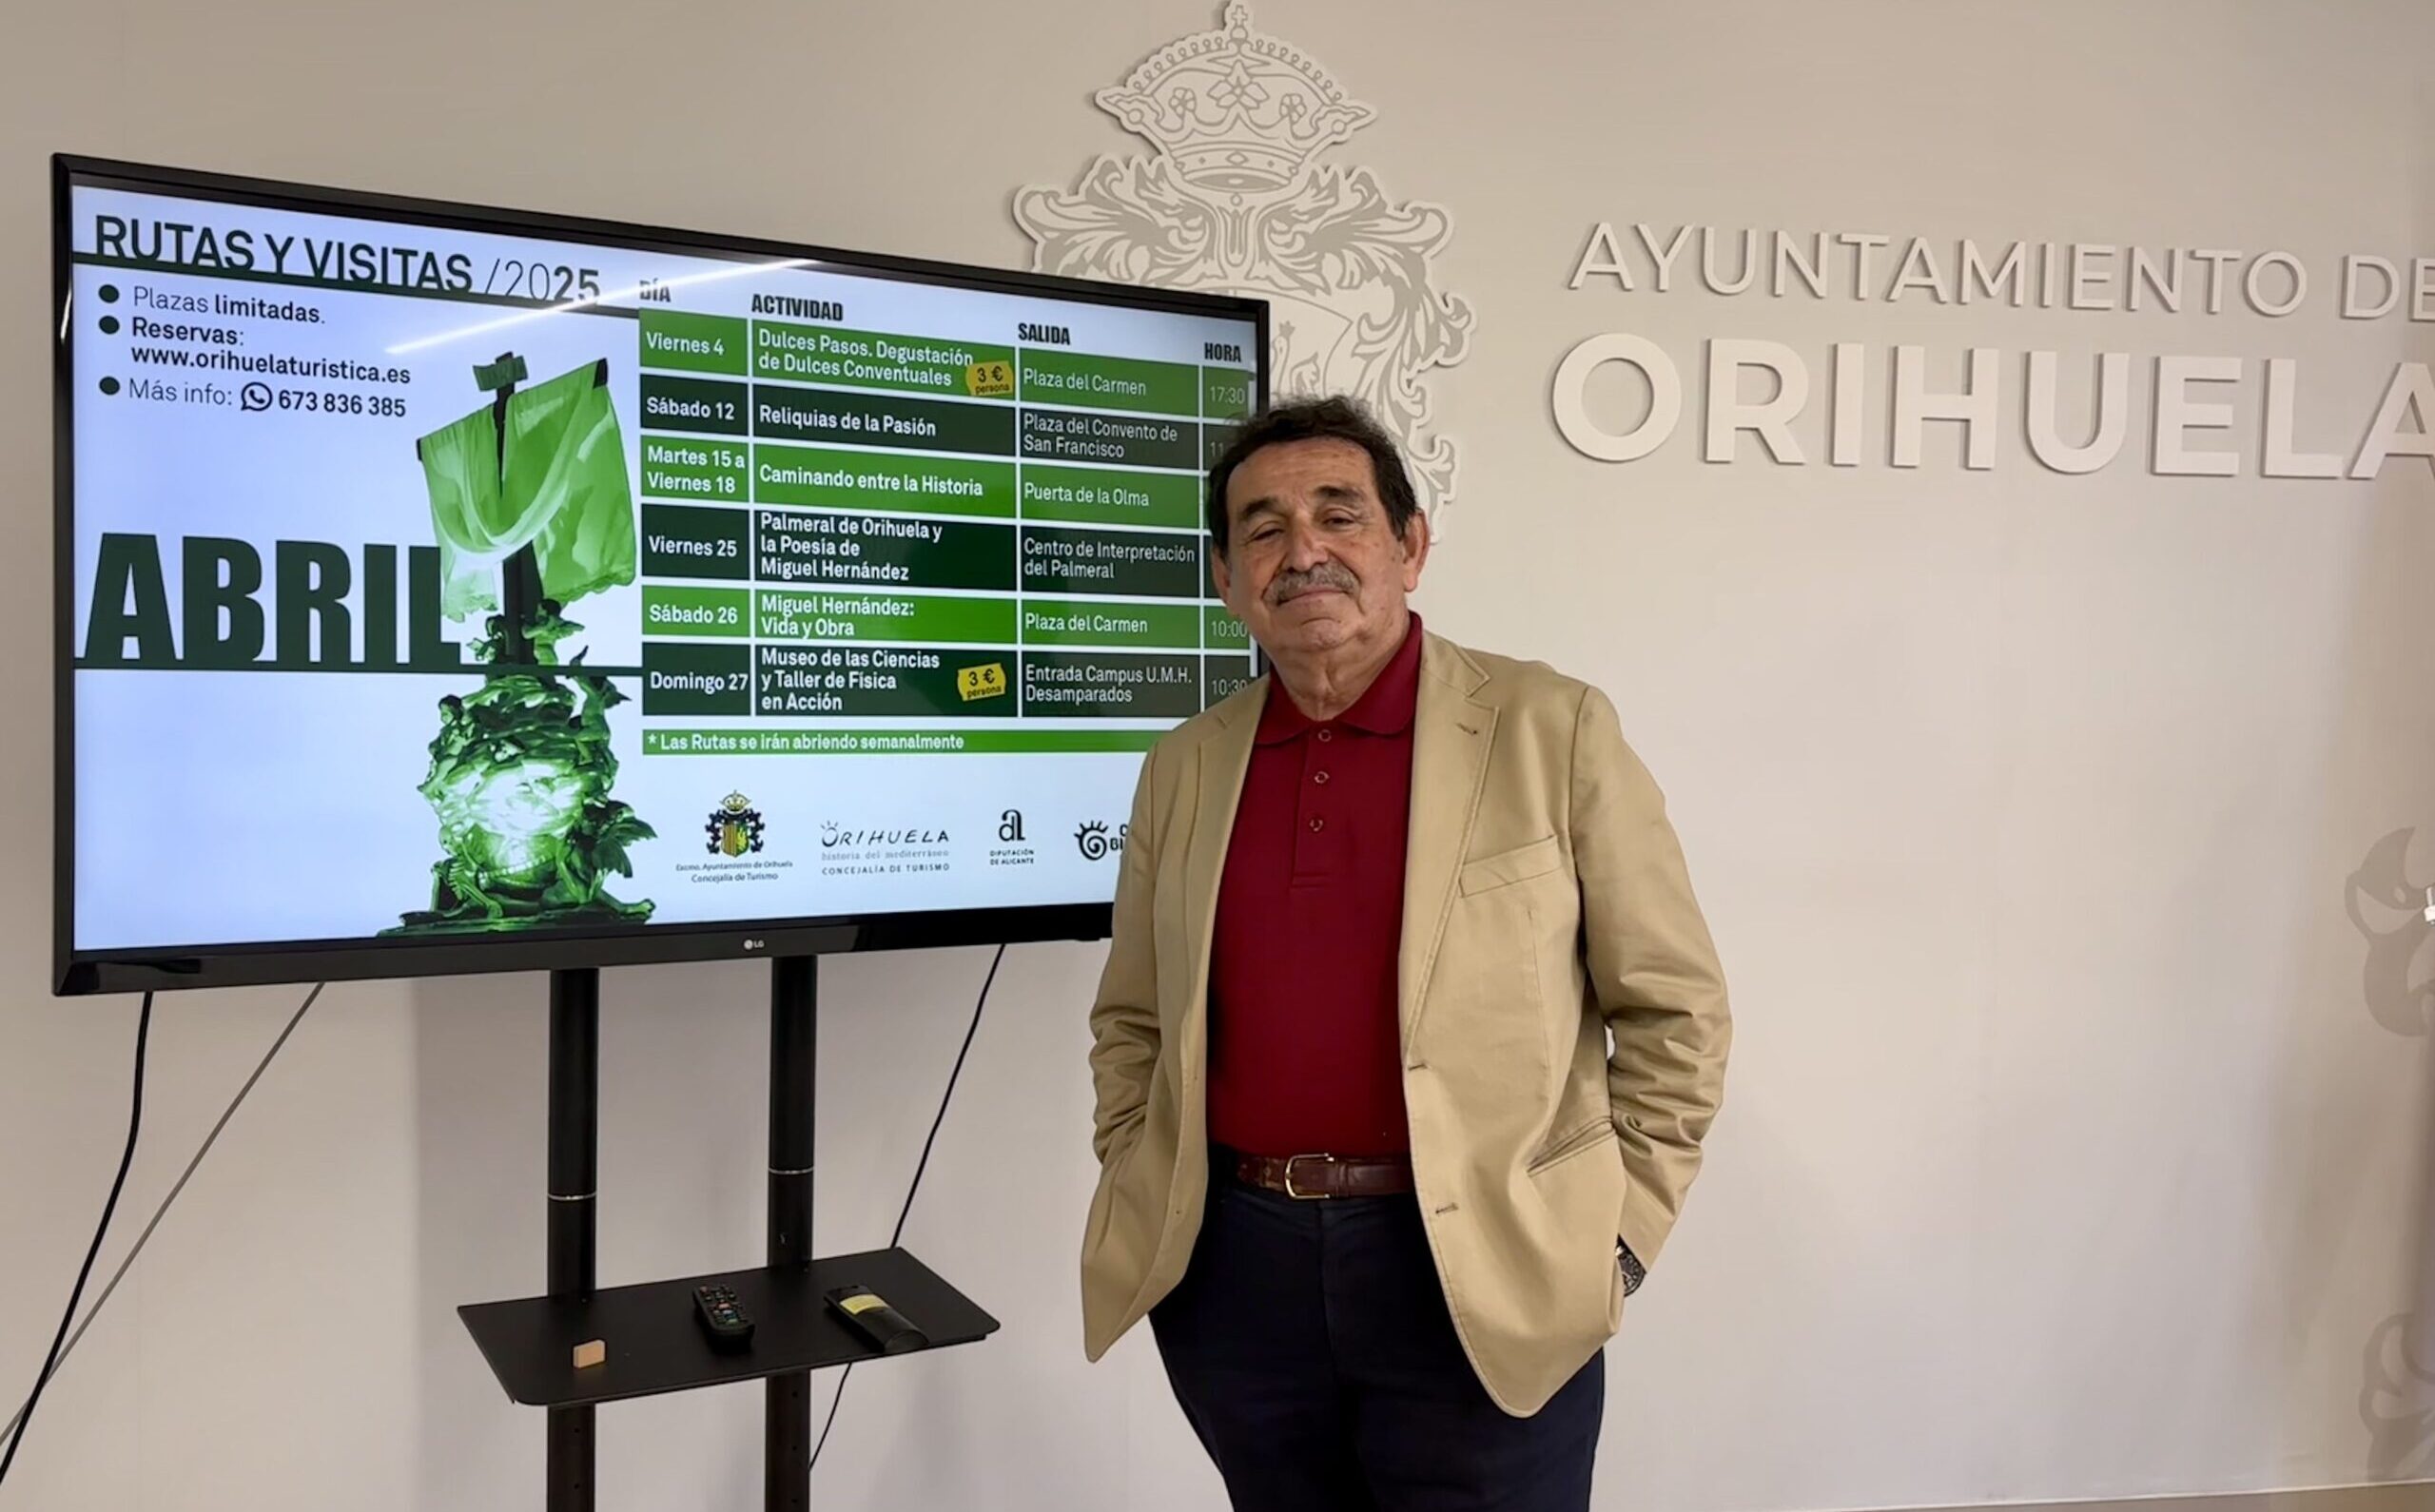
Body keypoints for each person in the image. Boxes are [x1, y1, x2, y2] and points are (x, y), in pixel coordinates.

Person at [1079, 394, 1731, 1511]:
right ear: (1226, 578)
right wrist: (1140, 1166)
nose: (1304, 551)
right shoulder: (1182, 766)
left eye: (1340, 516)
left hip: (1481, 1264)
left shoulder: (1550, 727)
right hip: (1236, 1272)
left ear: (1410, 546)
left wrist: (1616, 1239)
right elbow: (1132, 1018)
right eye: (1264, 529)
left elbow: (1676, 1010)